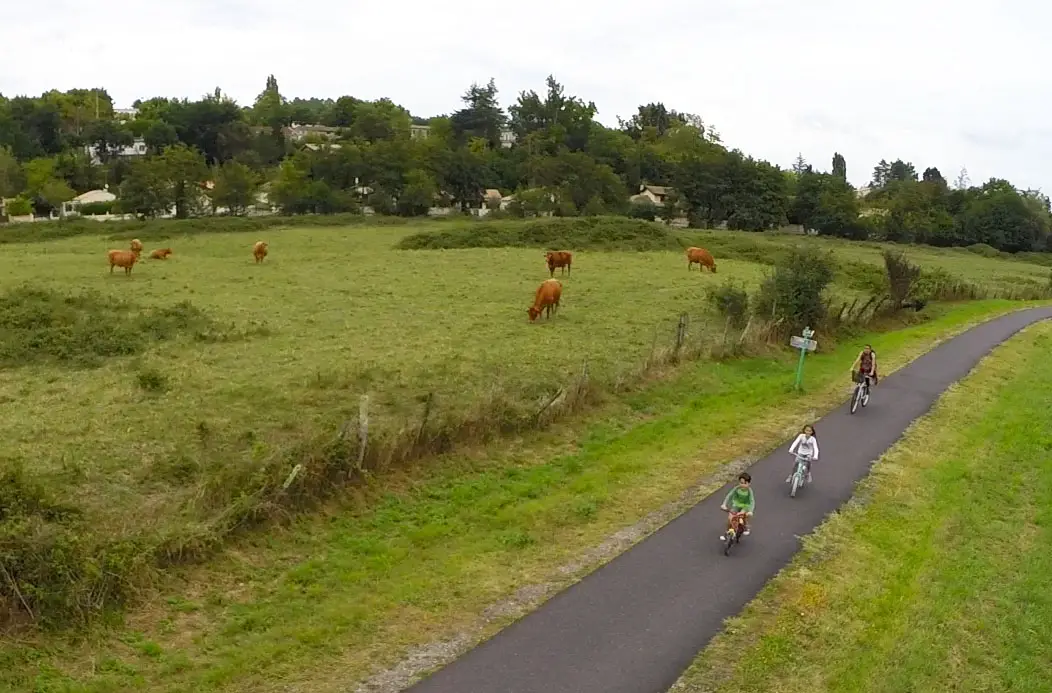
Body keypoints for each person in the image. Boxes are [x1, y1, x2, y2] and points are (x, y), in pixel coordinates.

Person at [720, 472, 755, 540]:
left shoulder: (749, 491)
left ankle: (746, 528)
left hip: (745, 506)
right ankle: (727, 532)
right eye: (741, 483)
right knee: (730, 518)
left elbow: (752, 501)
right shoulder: (736, 488)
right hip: (736, 504)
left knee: (742, 516)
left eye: (745, 483)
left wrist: (751, 511)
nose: (742, 485)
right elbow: (729, 495)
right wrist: (724, 504)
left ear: (748, 483)